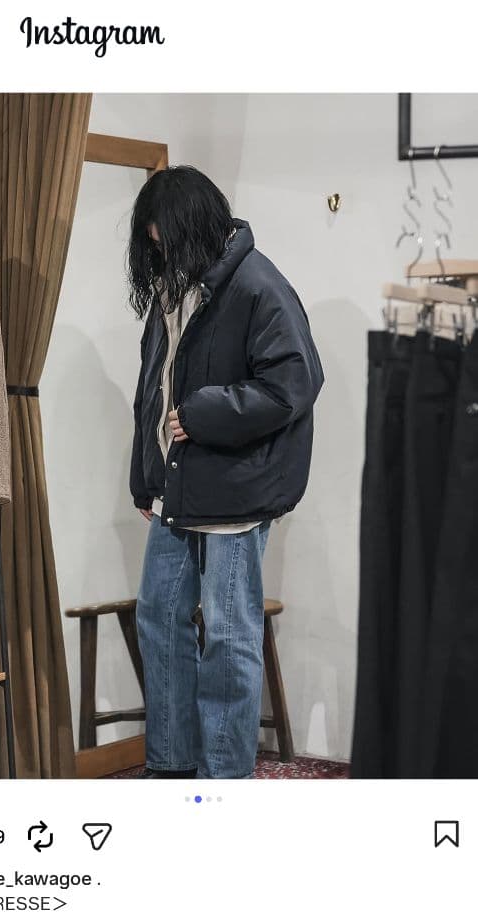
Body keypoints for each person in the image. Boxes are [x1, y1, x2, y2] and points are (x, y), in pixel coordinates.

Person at [128, 165, 324, 779]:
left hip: (236, 495)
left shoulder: (258, 285)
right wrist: (144, 476)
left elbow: (294, 384)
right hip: (177, 489)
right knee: (158, 620)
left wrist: (205, 413)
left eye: (165, 240)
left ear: (195, 226)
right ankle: (171, 764)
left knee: (230, 637)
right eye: (151, 242)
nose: (159, 251)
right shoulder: (174, 289)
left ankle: (221, 780)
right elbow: (153, 391)